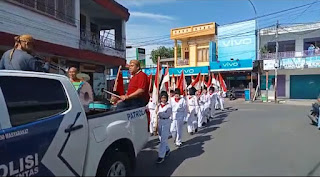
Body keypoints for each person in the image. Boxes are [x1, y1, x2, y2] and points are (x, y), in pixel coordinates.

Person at [156, 91, 172, 164]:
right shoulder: (158, 105)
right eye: (162, 98)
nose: (163, 99)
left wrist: (159, 113)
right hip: (159, 122)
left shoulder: (169, 106)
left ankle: (161, 156)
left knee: (163, 139)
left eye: (165, 98)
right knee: (160, 138)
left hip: (166, 122)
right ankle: (167, 149)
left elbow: (167, 115)